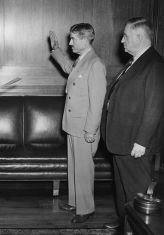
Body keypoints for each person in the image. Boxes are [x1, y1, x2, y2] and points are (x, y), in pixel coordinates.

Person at [101, 17, 164, 228]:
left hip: (135, 145)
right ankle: (124, 225)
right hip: (121, 141)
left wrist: (142, 142)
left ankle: (138, 229)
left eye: (126, 36)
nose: (121, 41)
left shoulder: (154, 64)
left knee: (137, 194)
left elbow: (155, 106)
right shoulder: (134, 62)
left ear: (139, 37)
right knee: (123, 191)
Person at [49, 24, 107, 223]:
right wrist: (55, 49)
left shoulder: (95, 64)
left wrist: (91, 130)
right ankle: (75, 202)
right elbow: (68, 67)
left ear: (85, 39)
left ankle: (86, 209)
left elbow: (97, 102)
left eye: (73, 39)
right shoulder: (82, 60)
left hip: (84, 129)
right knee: (74, 167)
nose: (70, 43)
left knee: (83, 170)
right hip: (73, 125)